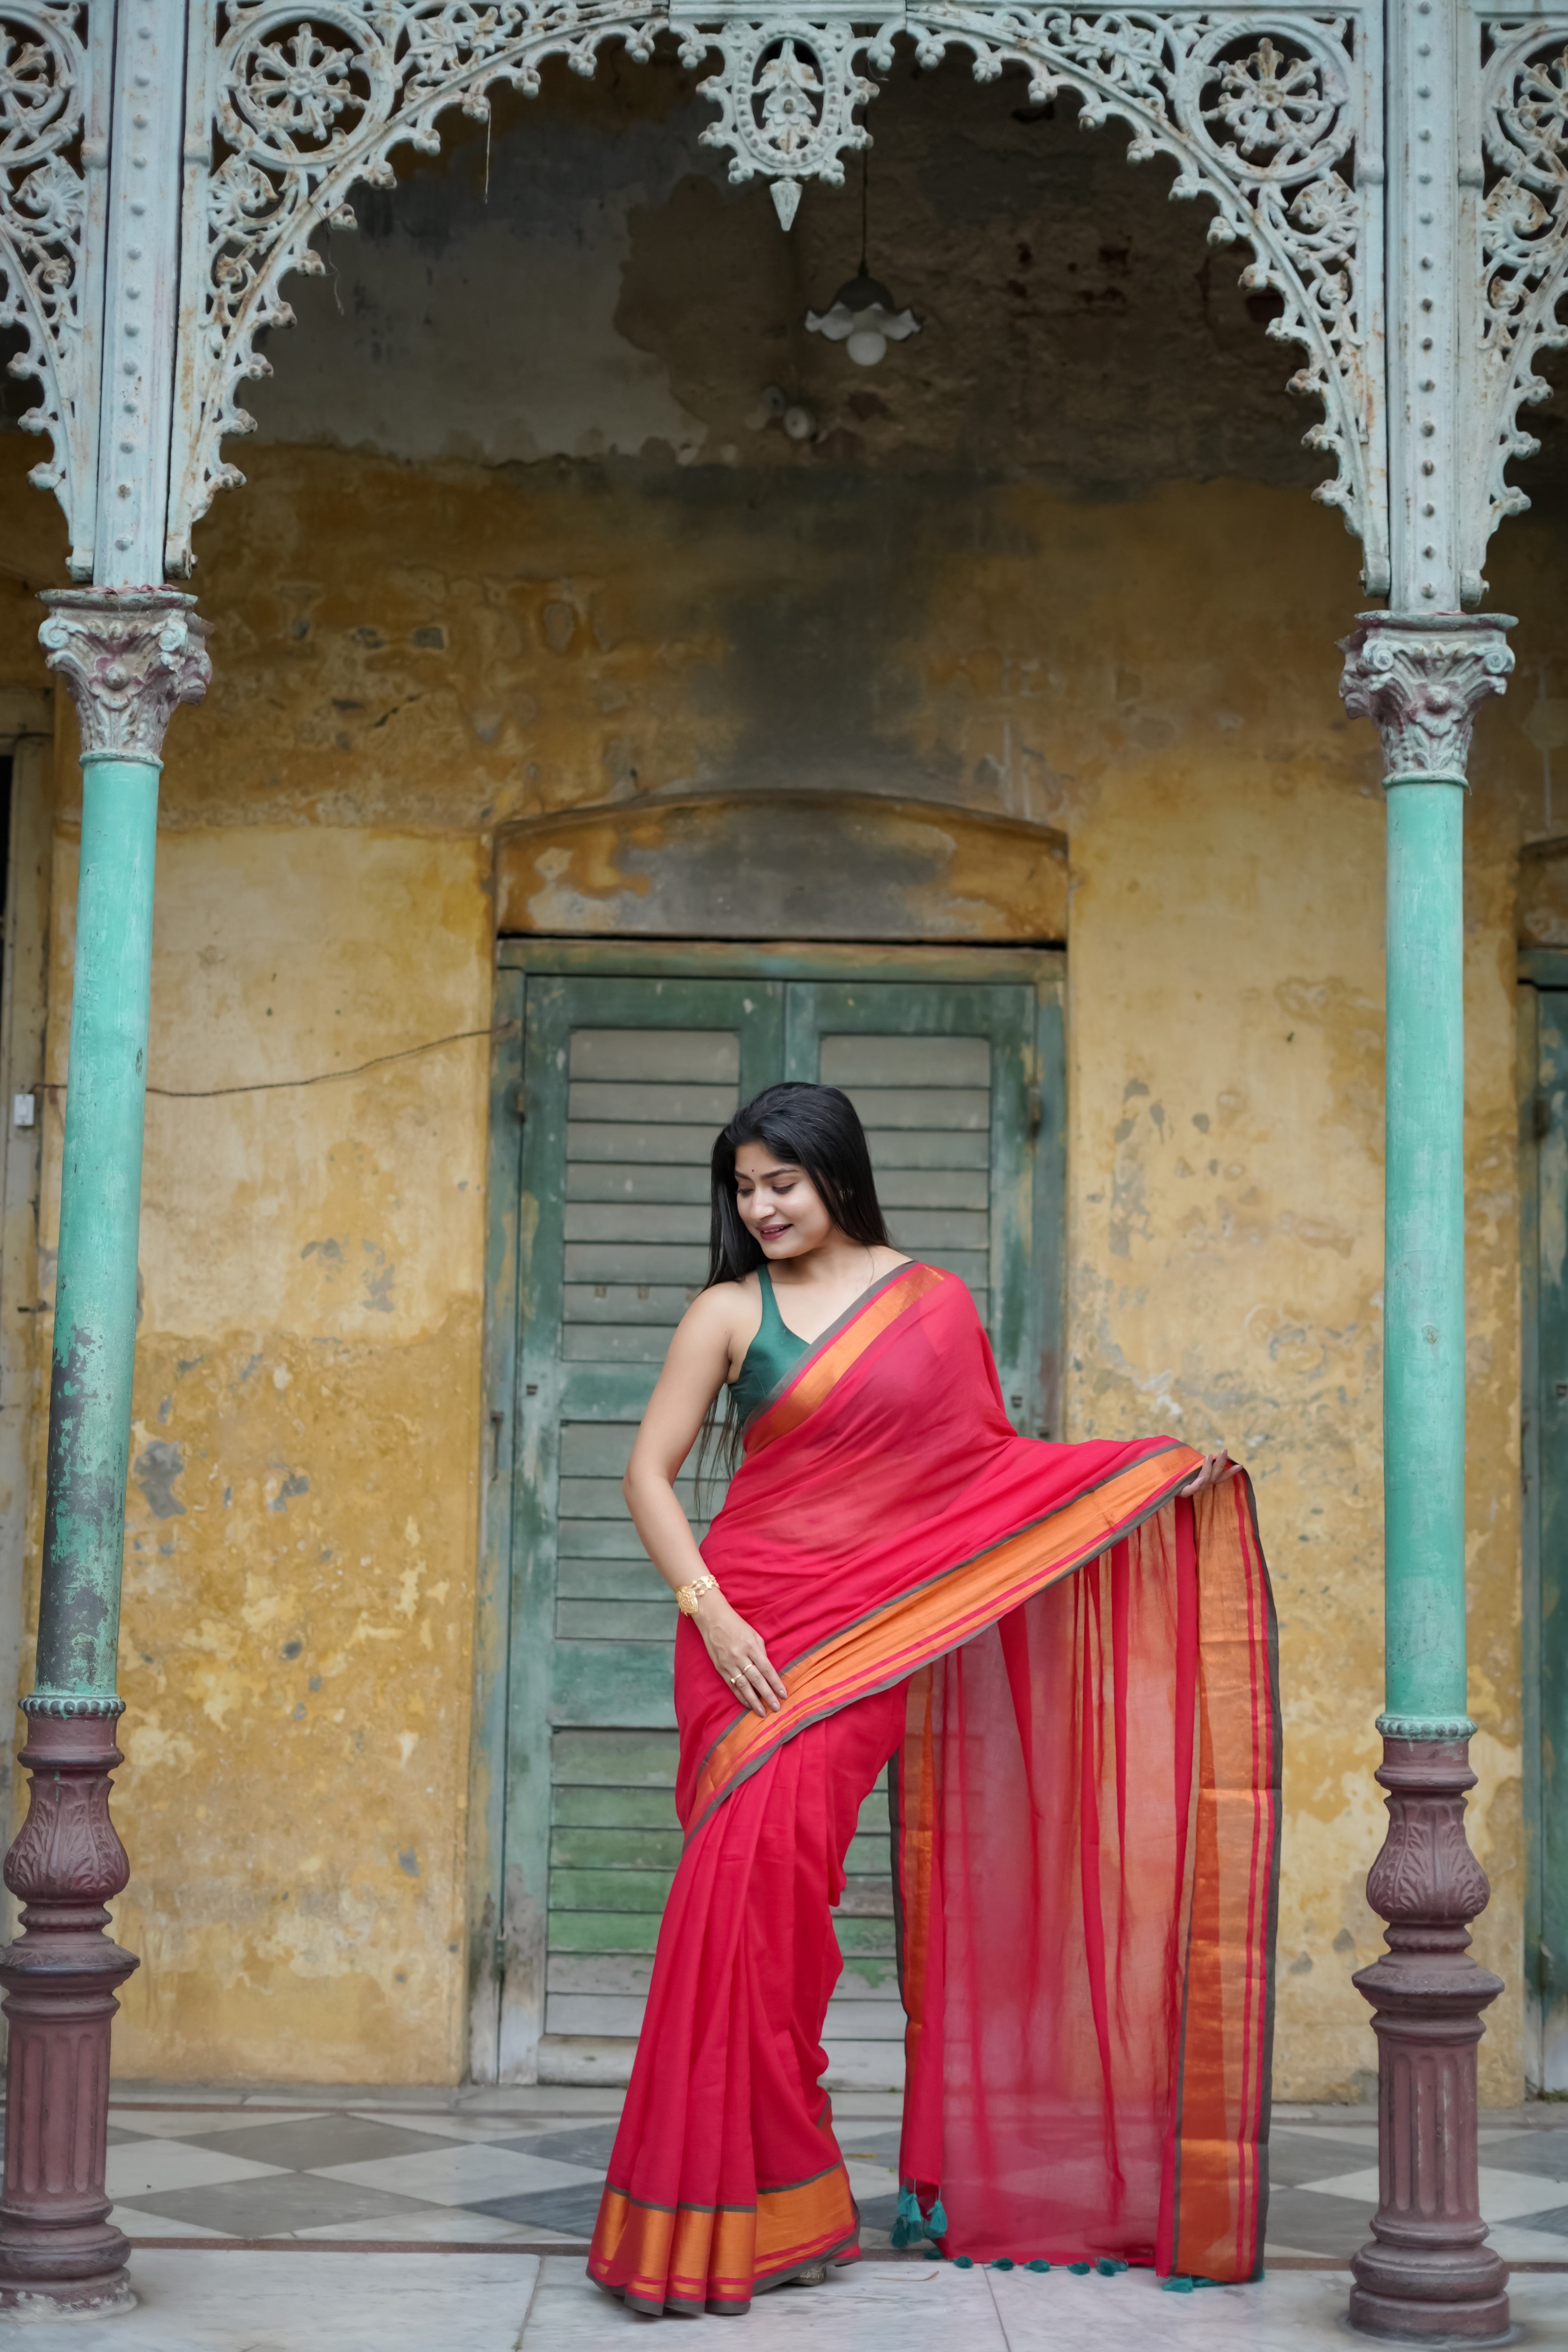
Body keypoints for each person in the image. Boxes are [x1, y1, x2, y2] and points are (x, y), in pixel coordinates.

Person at [588, 1082, 1278, 2318]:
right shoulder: (728, 1312)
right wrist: (713, 1608)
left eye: (780, 1183)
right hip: (740, 1633)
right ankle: (742, 2208)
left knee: (786, 1919)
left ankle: (777, 2200)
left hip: (862, 1649)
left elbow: (982, 1478)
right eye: (744, 1188)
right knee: (724, 1906)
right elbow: (646, 1474)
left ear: (835, 1177)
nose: (760, 1207)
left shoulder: (934, 1306)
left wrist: (1145, 1477)